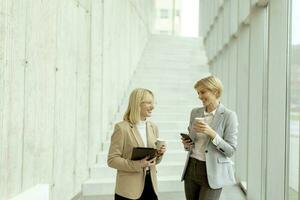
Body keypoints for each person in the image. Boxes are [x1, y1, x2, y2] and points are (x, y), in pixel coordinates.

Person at [181, 75, 238, 200]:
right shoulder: (195, 112)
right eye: (198, 93)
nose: (199, 96)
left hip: (213, 171)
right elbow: (191, 141)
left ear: (215, 91)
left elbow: (230, 150)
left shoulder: (229, 116)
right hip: (192, 167)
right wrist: (187, 144)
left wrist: (212, 134)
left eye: (202, 92)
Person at [107, 88, 166, 200]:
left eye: (153, 103)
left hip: (151, 185)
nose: (153, 107)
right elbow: (112, 160)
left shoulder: (153, 127)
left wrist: (159, 154)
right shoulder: (121, 128)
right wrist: (139, 164)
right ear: (137, 104)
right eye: (149, 103)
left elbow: (154, 161)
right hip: (129, 190)